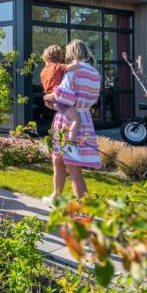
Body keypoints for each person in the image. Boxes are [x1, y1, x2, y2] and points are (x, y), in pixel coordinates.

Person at [42, 39, 102, 205]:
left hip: (67, 119)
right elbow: (93, 98)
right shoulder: (94, 72)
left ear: (71, 52)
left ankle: (84, 205)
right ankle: (56, 196)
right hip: (84, 117)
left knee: (71, 165)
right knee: (60, 160)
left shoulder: (72, 71)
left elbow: (63, 94)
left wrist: (48, 97)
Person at [40, 45, 81, 144]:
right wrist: (76, 60)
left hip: (50, 100)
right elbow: (75, 67)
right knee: (76, 120)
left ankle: (54, 140)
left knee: (59, 117)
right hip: (59, 99)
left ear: (46, 57)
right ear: (60, 57)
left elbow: (45, 86)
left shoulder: (43, 71)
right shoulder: (58, 67)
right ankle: (71, 143)